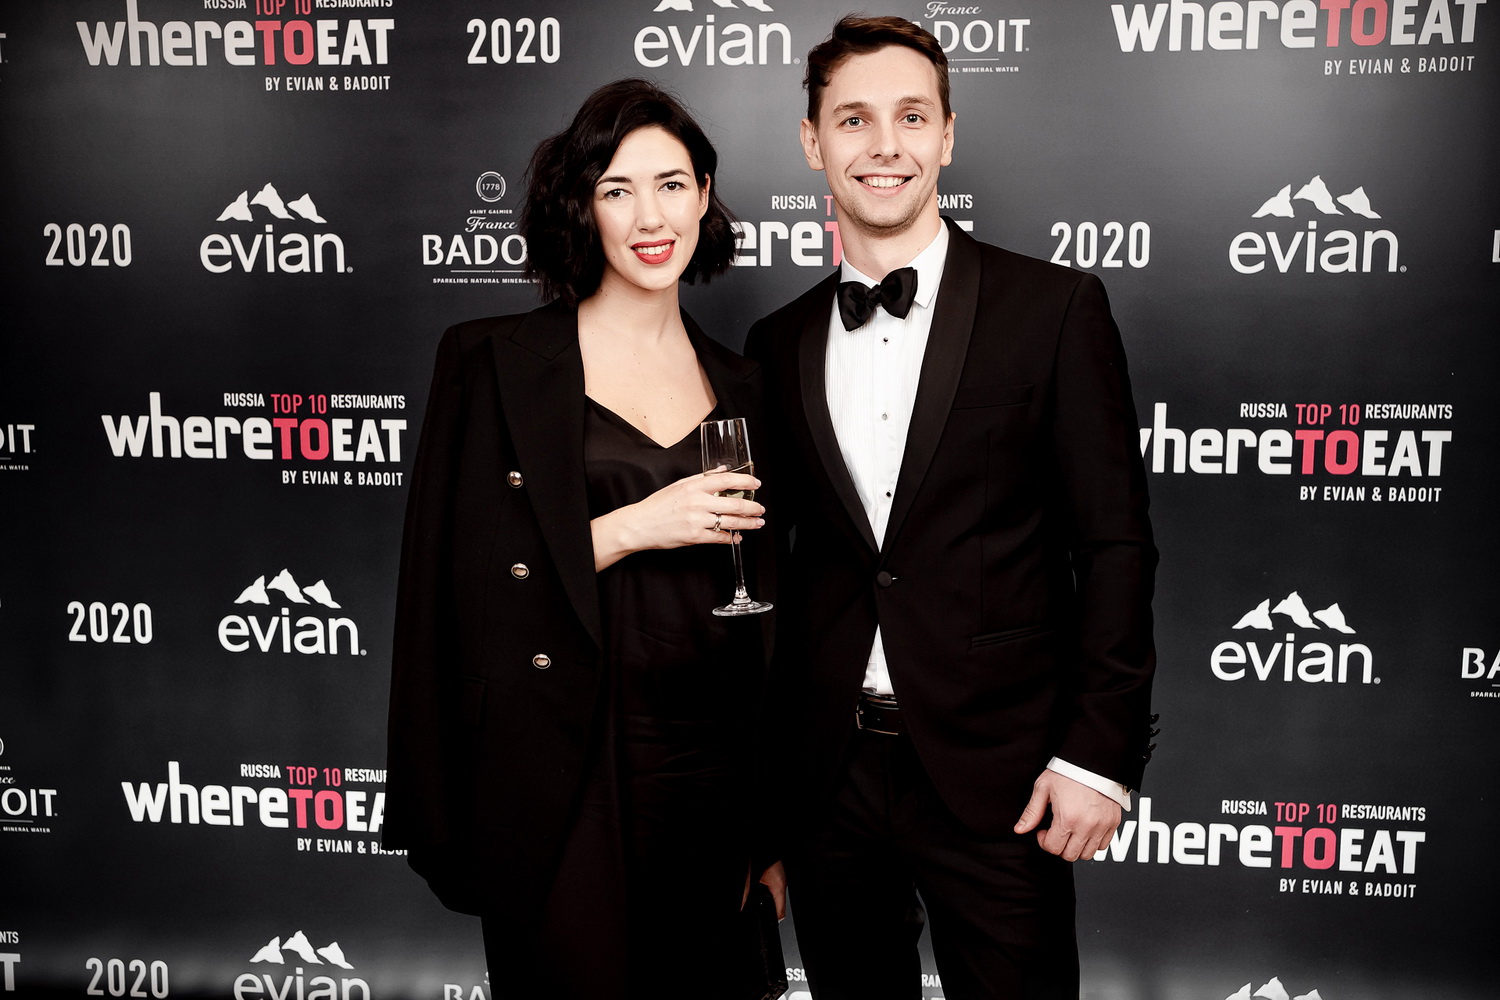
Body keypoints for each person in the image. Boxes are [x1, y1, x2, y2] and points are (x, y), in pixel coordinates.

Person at [745, 17, 1158, 1000]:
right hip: (828, 777)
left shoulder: (1055, 309)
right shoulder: (777, 341)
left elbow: (1114, 545)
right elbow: (775, 572)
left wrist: (1097, 757)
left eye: (911, 116)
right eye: (854, 119)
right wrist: (761, 800)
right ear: (812, 141)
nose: (884, 145)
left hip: (1004, 774)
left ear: (947, 134)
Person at [384, 78, 784, 1000]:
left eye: (672, 184)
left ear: (704, 196)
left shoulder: (745, 382)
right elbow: (455, 588)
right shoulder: (489, 362)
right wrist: (636, 525)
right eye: (617, 189)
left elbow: (772, 622)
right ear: (581, 207)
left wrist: (769, 829)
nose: (651, 217)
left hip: (709, 774)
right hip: (564, 770)